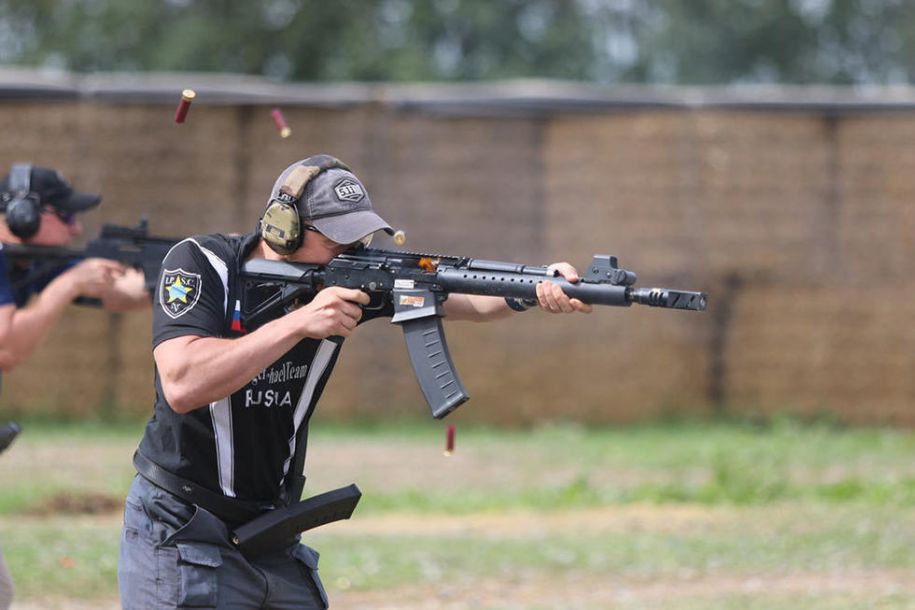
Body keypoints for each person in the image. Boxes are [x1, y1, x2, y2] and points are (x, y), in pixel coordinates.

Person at [118, 154, 592, 609]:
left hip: (271, 531)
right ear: (281, 229)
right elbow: (182, 383)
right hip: (181, 528)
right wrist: (299, 323)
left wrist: (535, 288)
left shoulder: (352, 279)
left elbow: (459, 295)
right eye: (337, 240)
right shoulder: (202, 264)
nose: (353, 253)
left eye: (359, 238)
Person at [0, 164, 151, 610]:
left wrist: (173, 277)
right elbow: (6, 348)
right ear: (27, 214)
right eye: (65, 216)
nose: (76, 227)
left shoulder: (27, 260)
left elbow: (120, 293)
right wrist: (68, 284)